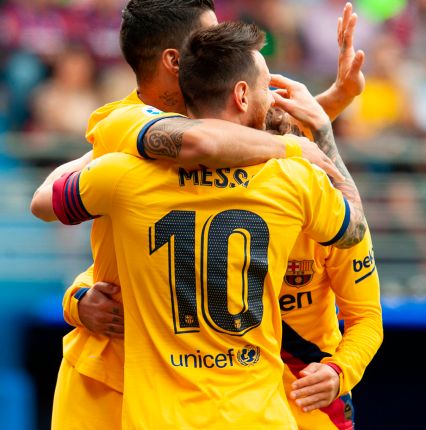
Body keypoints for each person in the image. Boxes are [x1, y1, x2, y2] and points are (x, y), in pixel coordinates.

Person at [31, 1, 368, 429]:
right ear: (174, 60)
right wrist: (78, 299)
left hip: (198, 387)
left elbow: (249, 126)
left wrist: (335, 100)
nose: (220, 46)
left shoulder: (230, 143)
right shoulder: (126, 128)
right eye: (206, 37)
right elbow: (207, 143)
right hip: (112, 375)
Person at [262, 106, 383, 429]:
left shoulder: (339, 221)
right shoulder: (211, 208)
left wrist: (338, 371)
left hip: (311, 400)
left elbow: (366, 318)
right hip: (231, 398)